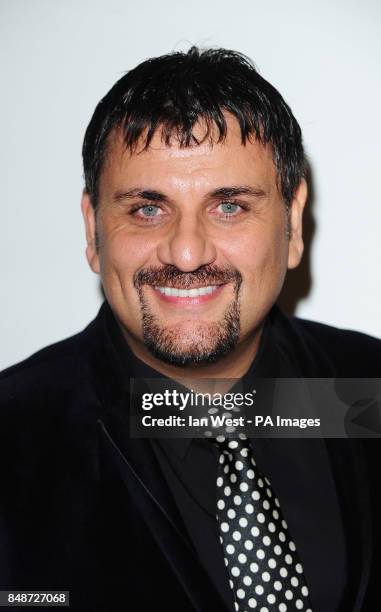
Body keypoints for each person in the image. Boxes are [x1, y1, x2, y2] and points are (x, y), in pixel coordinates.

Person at [0, 46, 380, 612]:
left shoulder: (370, 386)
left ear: (293, 222)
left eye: (228, 206)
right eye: (147, 209)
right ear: (92, 226)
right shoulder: (13, 439)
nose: (185, 251)